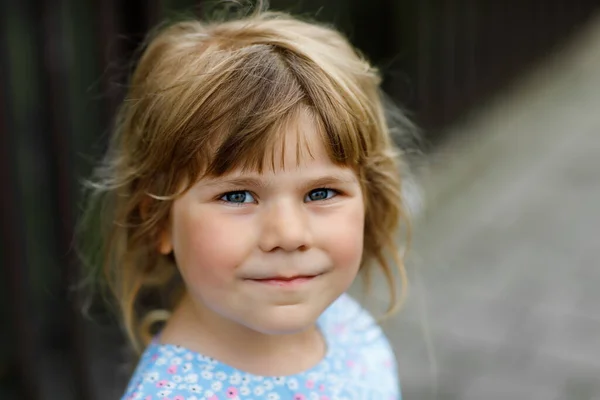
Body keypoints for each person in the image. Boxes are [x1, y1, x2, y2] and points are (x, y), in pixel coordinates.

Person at [81, 2, 416, 399]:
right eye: (238, 195)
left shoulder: (346, 324)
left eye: (321, 193)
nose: (289, 235)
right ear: (158, 219)